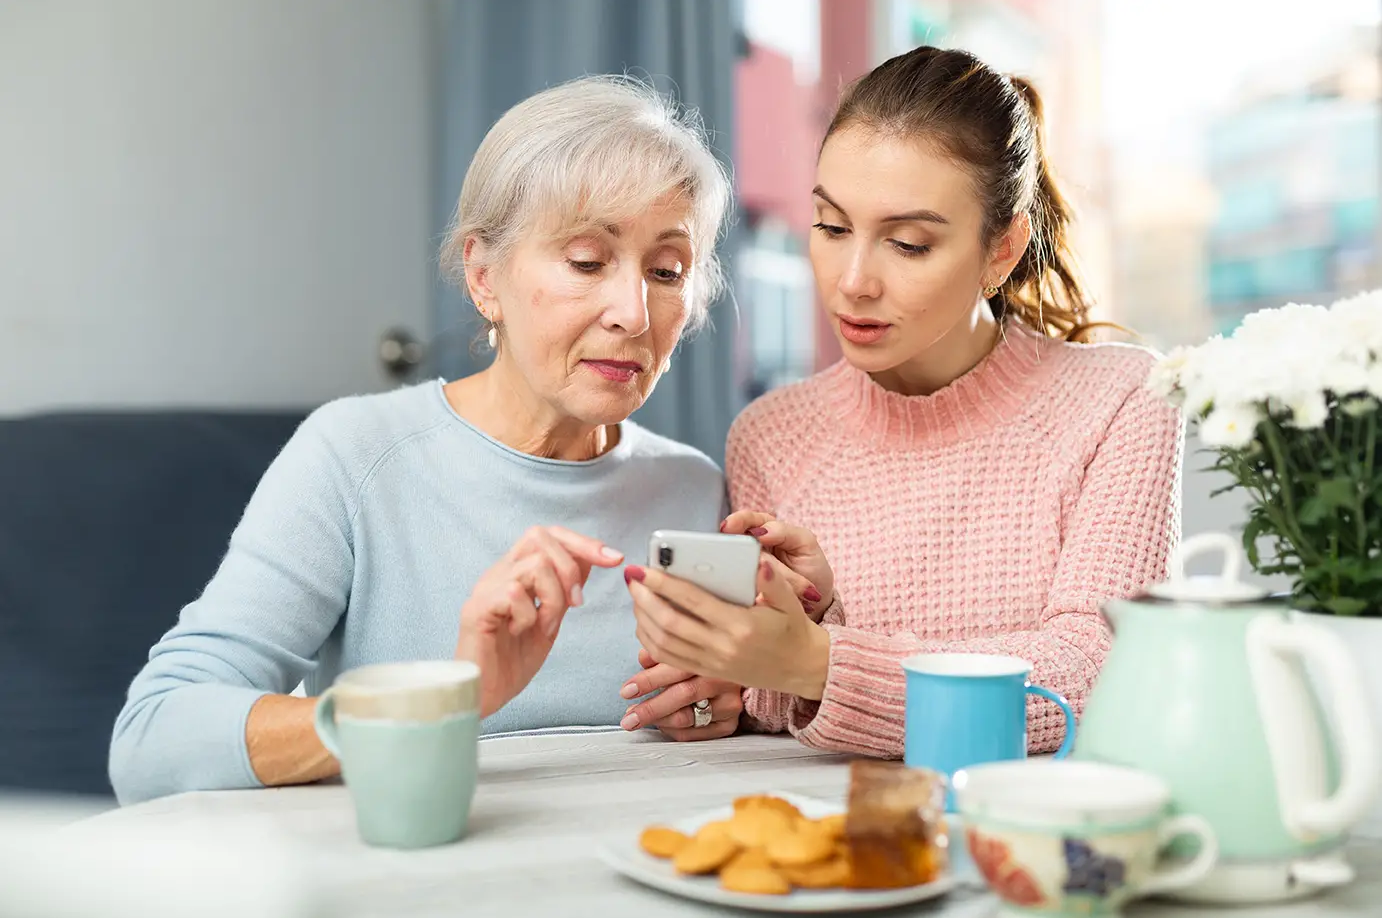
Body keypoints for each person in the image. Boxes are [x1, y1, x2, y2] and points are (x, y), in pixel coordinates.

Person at [109, 74, 735, 805]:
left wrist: (729, 704)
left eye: (667, 271)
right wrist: (441, 704)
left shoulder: (695, 490)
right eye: (587, 261)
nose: (633, 310)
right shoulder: (353, 455)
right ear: (483, 277)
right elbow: (153, 738)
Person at [618, 46, 1184, 757]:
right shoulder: (772, 434)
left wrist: (817, 661)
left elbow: (1101, 670)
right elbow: (777, 711)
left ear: (1002, 251)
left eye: (909, 244)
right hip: (833, 841)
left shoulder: (1122, 400)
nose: (853, 280)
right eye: (831, 227)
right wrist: (740, 677)